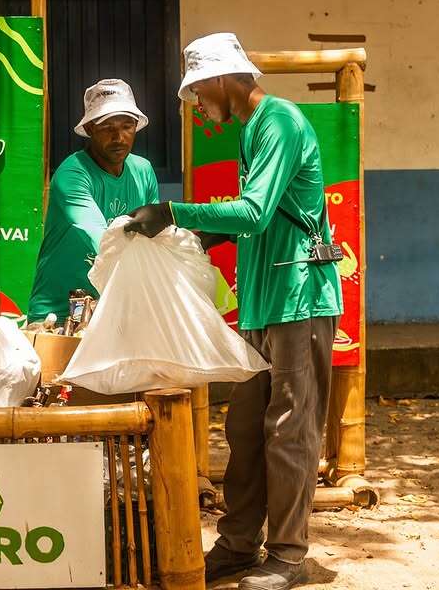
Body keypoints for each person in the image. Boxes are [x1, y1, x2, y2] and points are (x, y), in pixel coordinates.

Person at [125, 33, 342, 590]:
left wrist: (173, 209)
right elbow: (257, 222)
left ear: (220, 79)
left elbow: (253, 212)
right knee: (247, 429)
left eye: (197, 92)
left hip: (299, 298)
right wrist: (182, 231)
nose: (196, 105)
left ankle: (288, 555)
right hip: (264, 301)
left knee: (289, 431)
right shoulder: (251, 131)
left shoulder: (281, 122)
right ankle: (240, 543)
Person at [27, 79, 158, 323]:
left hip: (114, 311)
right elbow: (105, 240)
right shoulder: (72, 174)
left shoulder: (143, 171)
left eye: (127, 125)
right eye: (106, 127)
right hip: (58, 314)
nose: (118, 137)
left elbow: (151, 238)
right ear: (89, 129)